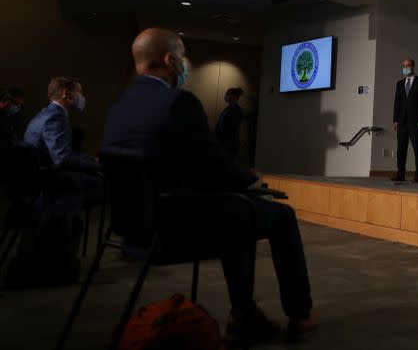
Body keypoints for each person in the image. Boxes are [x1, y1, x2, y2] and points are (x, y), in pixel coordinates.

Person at [103, 28, 316, 343]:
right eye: (182, 55)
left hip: (132, 226)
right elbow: (213, 165)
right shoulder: (178, 102)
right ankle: (299, 315)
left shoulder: (119, 107)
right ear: (168, 59)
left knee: (236, 213)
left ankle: (244, 312)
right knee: (280, 217)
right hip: (174, 224)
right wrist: (250, 179)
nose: (184, 63)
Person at [23, 78, 103, 201]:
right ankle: (64, 216)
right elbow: (62, 159)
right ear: (66, 93)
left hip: (40, 174)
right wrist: (97, 165)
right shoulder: (56, 116)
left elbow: (63, 153)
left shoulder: (46, 113)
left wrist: (92, 159)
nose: (81, 97)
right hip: (48, 178)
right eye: (79, 93)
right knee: (104, 183)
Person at [392, 58, 418, 182]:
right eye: (404, 66)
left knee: (417, 149)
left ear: (413, 66)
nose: (405, 68)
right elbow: (397, 103)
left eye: (408, 65)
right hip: (401, 122)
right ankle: (400, 173)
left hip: (416, 122)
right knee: (401, 149)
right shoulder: (399, 83)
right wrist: (395, 120)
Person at [216, 87, 244, 159]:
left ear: (233, 97)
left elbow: (231, 128)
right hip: (223, 142)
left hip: (229, 144)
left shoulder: (237, 111)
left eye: (228, 94)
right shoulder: (227, 109)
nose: (226, 96)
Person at [1, 87, 24, 154]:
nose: (19, 107)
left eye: (21, 105)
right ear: (7, 101)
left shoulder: (9, 116)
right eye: (17, 104)